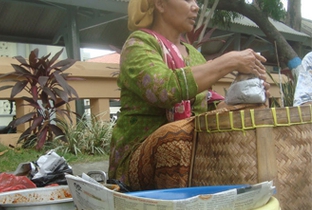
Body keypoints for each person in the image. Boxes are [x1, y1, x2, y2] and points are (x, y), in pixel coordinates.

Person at [108, 0, 270, 191]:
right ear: (160, 4)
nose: (196, 7)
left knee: (243, 122)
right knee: (176, 137)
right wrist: (230, 60)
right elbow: (164, 90)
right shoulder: (139, 44)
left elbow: (206, 107)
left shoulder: (194, 55)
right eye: (187, 0)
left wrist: (245, 95)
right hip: (136, 160)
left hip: (192, 154)